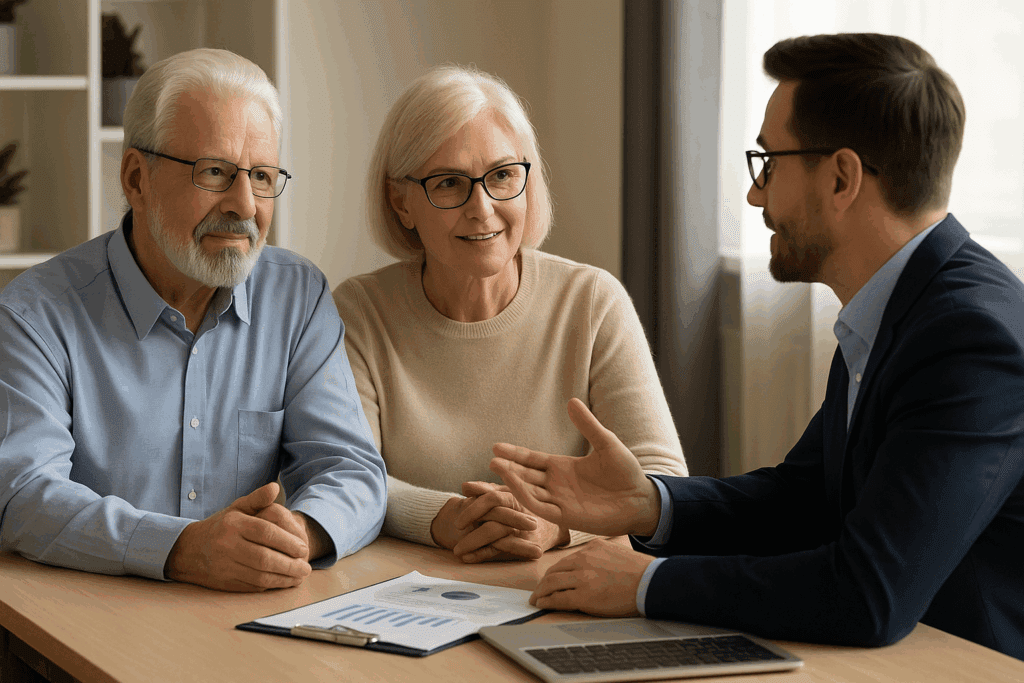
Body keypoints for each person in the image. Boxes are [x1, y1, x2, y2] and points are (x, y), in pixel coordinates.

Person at [490, 33, 1024, 660]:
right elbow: (801, 500)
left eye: (768, 162)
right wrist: (649, 505)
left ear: (842, 178)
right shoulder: (903, 306)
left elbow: (868, 594)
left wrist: (647, 584)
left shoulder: (970, 339)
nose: (755, 194)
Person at [0, 48, 387, 592]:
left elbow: (351, 468)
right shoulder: (33, 314)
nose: (245, 205)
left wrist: (295, 534)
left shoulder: (297, 298)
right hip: (83, 631)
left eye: (262, 175)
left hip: (243, 619)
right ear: (136, 178)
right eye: (214, 173)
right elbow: (22, 496)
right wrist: (181, 550)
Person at [332, 65, 687, 563]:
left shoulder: (591, 301)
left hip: (561, 589)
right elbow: (347, 476)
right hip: (400, 593)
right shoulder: (359, 312)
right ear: (401, 202)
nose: (482, 207)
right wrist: (447, 519)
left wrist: (557, 525)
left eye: (502, 176)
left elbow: (662, 479)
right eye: (450, 183)